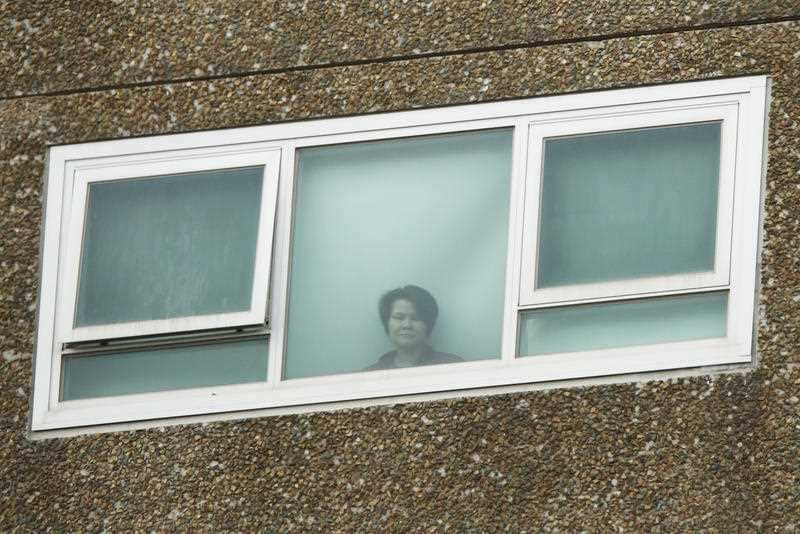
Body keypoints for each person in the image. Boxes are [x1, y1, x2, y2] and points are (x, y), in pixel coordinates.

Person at [365, 285, 462, 371]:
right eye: (399, 318)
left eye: (415, 318)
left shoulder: (452, 367)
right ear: (387, 322)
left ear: (428, 324)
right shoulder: (370, 375)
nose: (407, 325)